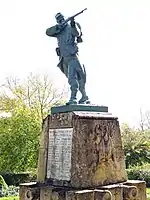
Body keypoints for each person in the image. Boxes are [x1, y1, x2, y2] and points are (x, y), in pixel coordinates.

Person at [46, 12, 89, 105]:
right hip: (63, 59)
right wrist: (58, 27)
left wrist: (73, 23)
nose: (61, 20)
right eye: (59, 20)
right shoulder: (58, 30)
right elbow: (48, 32)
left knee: (73, 77)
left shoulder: (71, 27)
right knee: (73, 77)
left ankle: (73, 97)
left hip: (72, 56)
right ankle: (84, 96)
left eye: (62, 19)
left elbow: (77, 33)